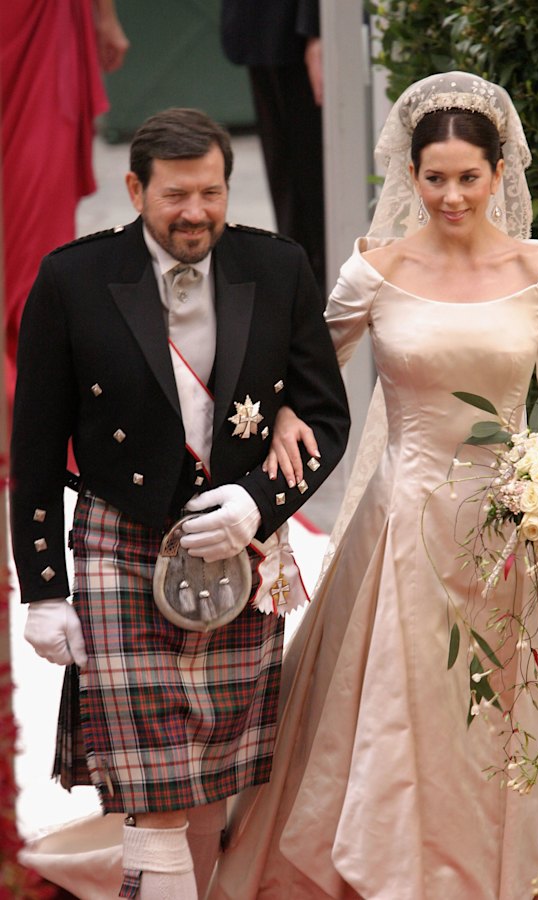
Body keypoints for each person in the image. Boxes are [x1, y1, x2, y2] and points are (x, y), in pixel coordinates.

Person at [209, 72, 538, 899]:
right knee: (405, 696)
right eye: (435, 177)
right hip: (404, 522)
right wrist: (281, 419)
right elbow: (308, 371)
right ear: (410, 175)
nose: (451, 196)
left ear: (499, 173)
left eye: (469, 177)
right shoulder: (376, 271)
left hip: (515, 529)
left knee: (509, 698)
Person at [9, 107, 350, 899]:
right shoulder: (72, 279)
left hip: (238, 553)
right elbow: (34, 449)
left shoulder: (278, 267)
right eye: (175, 196)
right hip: (120, 542)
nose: (195, 212)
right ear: (136, 191)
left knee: (208, 783)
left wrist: (259, 503)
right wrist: (45, 590)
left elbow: (325, 418)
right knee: (154, 792)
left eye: (211, 193)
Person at [1, 0, 129, 413]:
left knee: (36, 231)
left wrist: (104, 17)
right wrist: (105, 19)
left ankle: (31, 407)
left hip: (38, 31)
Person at [220, 0, 325, 297]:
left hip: (298, 28)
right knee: (286, 171)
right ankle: (300, 292)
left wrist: (318, 29)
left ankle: (313, 294)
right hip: (267, 27)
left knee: (313, 181)